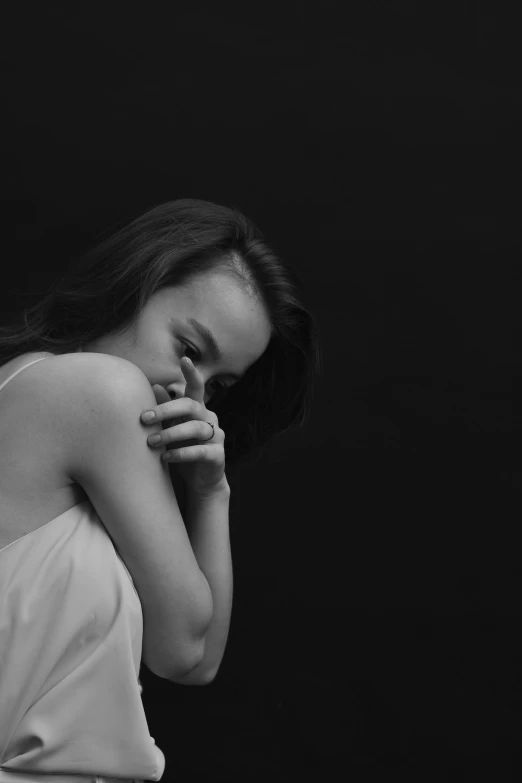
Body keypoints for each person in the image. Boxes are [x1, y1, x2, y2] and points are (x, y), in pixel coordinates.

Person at [0, 199, 321, 783]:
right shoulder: (104, 390)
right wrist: (209, 491)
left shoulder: (25, 376)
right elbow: (184, 650)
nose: (192, 391)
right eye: (191, 350)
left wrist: (212, 488)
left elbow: (195, 665)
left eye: (218, 383)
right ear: (136, 284)